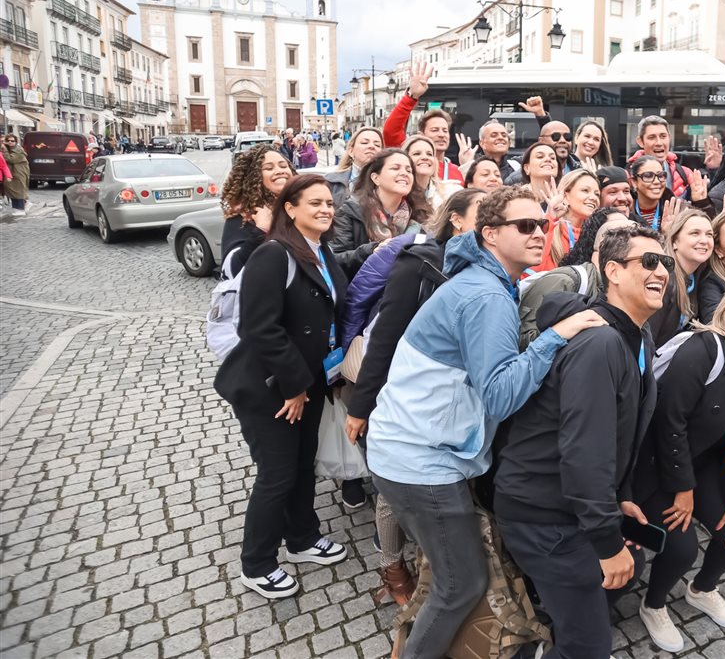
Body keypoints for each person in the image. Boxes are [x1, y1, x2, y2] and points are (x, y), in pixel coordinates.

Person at [366, 186, 605, 659]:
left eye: (541, 224)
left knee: (451, 574)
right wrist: (554, 337)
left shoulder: (486, 280)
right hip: (421, 463)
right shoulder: (485, 296)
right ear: (491, 234)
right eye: (524, 226)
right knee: (460, 585)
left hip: (416, 450)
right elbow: (499, 395)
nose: (539, 233)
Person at [493, 225, 668, 659]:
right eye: (648, 261)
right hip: (542, 512)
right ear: (612, 271)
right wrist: (607, 544)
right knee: (590, 648)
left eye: (663, 262)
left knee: (628, 569)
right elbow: (583, 454)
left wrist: (619, 498)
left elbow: (619, 434)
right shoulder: (600, 342)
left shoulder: (637, 334)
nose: (661, 270)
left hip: (567, 502)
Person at [343, 188, 486, 608]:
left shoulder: (490, 267)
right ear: (456, 219)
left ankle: (432, 567)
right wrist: (361, 406)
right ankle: (393, 570)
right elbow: (385, 338)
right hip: (403, 391)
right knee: (393, 487)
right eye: (485, 214)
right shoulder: (420, 263)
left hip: (455, 397)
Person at [214, 174, 350, 599]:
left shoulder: (320, 251)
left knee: (301, 463)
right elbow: (259, 328)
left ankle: (303, 539)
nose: (326, 209)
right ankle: (256, 563)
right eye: (315, 203)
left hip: (307, 383)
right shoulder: (272, 254)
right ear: (290, 209)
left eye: (329, 202)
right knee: (276, 474)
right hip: (269, 386)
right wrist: (292, 386)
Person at [635, 280, 725, 651]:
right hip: (655, 464)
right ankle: (652, 605)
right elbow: (669, 423)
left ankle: (701, 589)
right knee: (681, 547)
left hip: (705, 463)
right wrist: (683, 489)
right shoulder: (704, 349)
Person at [518, 209, 632, 349]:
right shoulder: (564, 281)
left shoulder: (627, 291)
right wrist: (564, 331)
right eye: (617, 231)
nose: (629, 236)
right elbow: (521, 343)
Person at [331, 149, 428, 279]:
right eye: (395, 168)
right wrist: (371, 251)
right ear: (376, 178)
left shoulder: (420, 216)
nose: (404, 173)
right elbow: (334, 260)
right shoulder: (351, 211)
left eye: (409, 170)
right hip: (359, 293)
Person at [220, 145, 297, 277]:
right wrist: (261, 230)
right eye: (269, 168)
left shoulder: (300, 209)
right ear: (253, 177)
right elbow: (232, 270)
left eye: (283, 166)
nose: (279, 171)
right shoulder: (245, 216)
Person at [644, 208, 714, 346]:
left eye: (709, 234)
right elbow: (648, 339)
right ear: (675, 241)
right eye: (695, 233)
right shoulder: (662, 279)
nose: (704, 240)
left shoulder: (699, 276)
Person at [628, 115, 722, 198]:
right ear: (640, 141)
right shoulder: (628, 175)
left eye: (663, 136)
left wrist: (714, 169)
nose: (659, 143)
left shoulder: (685, 173)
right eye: (652, 137)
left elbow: (710, 197)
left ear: (669, 138)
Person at [532, 169, 600, 272]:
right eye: (585, 190)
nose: (594, 198)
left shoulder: (597, 236)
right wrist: (549, 221)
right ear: (565, 196)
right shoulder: (547, 229)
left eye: (597, 194)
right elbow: (530, 273)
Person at [630, 154, 712, 230]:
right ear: (634, 182)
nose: (656, 181)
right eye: (648, 176)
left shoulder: (680, 209)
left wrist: (702, 203)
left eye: (661, 175)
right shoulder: (625, 211)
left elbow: (707, 231)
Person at [381, 61, 434, 148]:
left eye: (445, 130)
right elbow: (391, 132)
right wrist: (412, 97)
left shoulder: (458, 161)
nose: (441, 134)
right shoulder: (409, 157)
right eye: (434, 130)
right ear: (422, 135)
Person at [328, 126, 384, 208]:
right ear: (351, 151)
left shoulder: (389, 183)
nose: (372, 146)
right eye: (364, 143)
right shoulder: (331, 182)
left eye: (377, 145)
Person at [457, 120, 521, 183]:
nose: (500, 137)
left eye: (504, 135)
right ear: (482, 143)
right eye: (494, 135)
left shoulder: (518, 166)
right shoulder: (473, 167)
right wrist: (466, 166)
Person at [403, 135, 457, 210]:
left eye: (429, 154)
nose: (425, 157)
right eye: (417, 154)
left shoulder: (452, 191)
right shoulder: (398, 193)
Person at [1, 134, 30, 216]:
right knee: (12, 190)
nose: (10, 142)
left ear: (16, 142)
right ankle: (20, 206)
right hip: (12, 173)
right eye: (8, 140)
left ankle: (20, 209)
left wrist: (5, 150)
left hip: (19, 173)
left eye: (12, 141)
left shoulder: (18, 150)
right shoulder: (8, 149)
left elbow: (10, 159)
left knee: (18, 190)